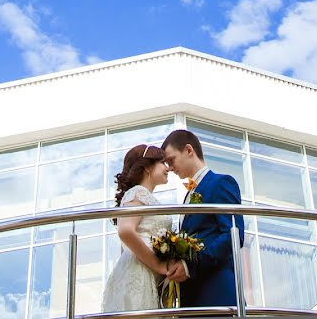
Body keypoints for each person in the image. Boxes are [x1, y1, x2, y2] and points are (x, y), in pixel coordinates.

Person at [161, 129, 244, 308]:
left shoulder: (221, 183)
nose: (169, 167)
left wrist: (189, 266)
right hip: (193, 299)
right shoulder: (187, 195)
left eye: (171, 159)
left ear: (189, 150)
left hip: (217, 294)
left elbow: (233, 235)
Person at [101, 144, 173, 313]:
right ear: (147, 167)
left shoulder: (145, 196)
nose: (167, 168)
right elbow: (126, 231)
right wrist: (158, 266)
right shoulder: (138, 192)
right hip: (139, 274)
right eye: (162, 162)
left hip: (144, 273)